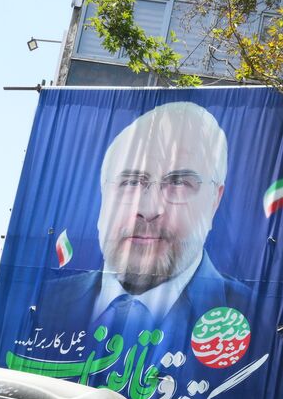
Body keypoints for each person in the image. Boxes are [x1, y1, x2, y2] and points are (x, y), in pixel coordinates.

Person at [28, 101, 250, 359]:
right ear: (104, 192)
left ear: (214, 200)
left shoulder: (259, 321)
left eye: (178, 183)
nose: (149, 208)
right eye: (131, 182)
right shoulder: (39, 305)